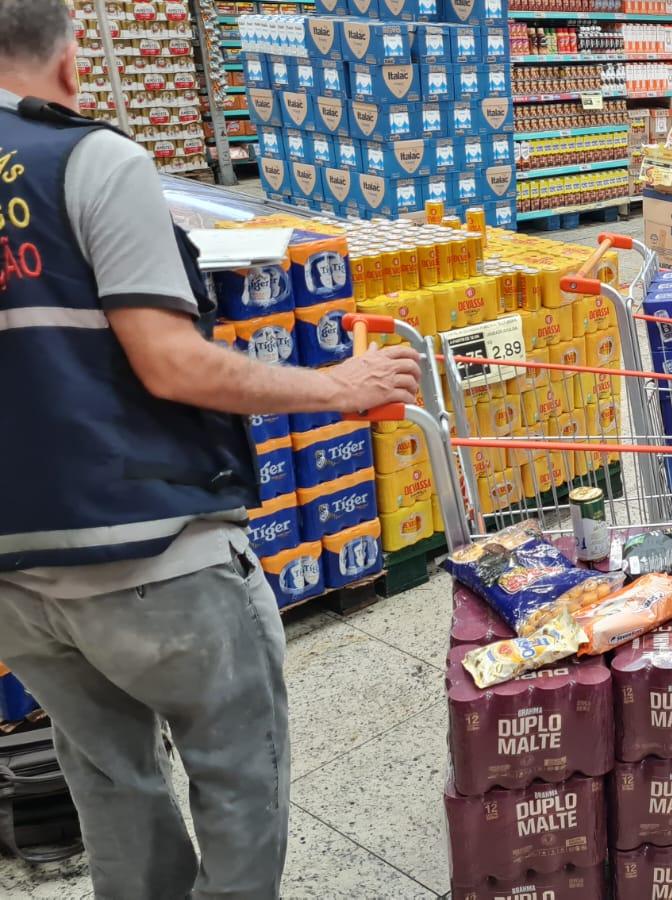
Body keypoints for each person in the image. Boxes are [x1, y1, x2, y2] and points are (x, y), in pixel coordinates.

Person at [0, 1, 424, 896]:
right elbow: (171, 362)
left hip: (17, 575)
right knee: (237, 775)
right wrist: (338, 387)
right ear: (73, 62)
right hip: (152, 551)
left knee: (109, 782)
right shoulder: (85, 157)